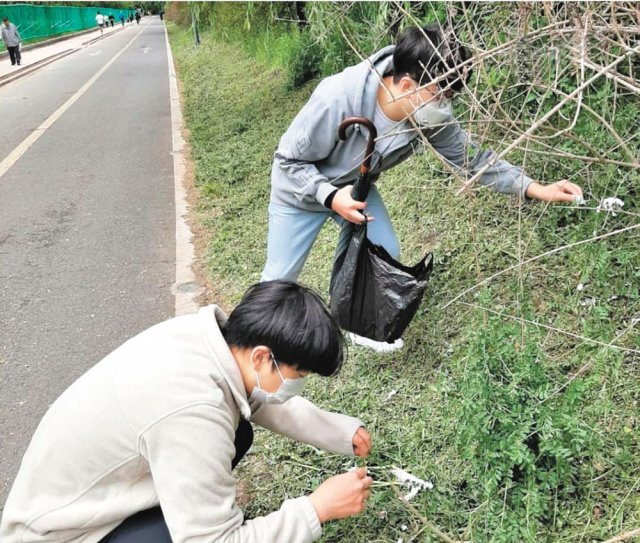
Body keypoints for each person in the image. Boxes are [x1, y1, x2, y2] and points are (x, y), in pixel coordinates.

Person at [262, 23, 583, 353]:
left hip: (356, 188)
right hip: (300, 192)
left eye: (451, 97)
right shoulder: (337, 99)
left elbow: (473, 160)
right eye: (442, 95)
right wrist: (328, 196)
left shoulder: (427, 114)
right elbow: (288, 162)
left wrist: (533, 187)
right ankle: (254, 341)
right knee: (279, 279)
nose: (446, 106)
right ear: (406, 84)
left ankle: (359, 322)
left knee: (383, 251)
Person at [0, 281, 374, 543]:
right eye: (300, 375)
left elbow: (259, 400)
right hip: (59, 534)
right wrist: (316, 509)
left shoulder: (208, 341)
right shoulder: (193, 409)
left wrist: (342, 433)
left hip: (81, 499)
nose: (298, 384)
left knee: (238, 432)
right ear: (262, 356)